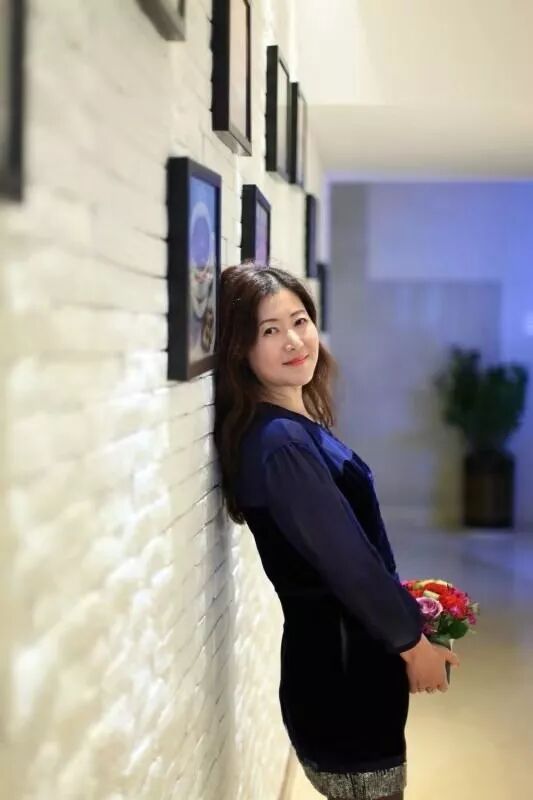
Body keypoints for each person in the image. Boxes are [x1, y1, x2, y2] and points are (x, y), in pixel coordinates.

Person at [214, 264, 459, 800]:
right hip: (343, 671)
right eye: (269, 330)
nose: (293, 341)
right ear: (240, 349)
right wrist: (410, 642)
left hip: (346, 657)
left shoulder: (290, 426)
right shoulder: (281, 444)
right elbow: (345, 561)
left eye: (299, 321)